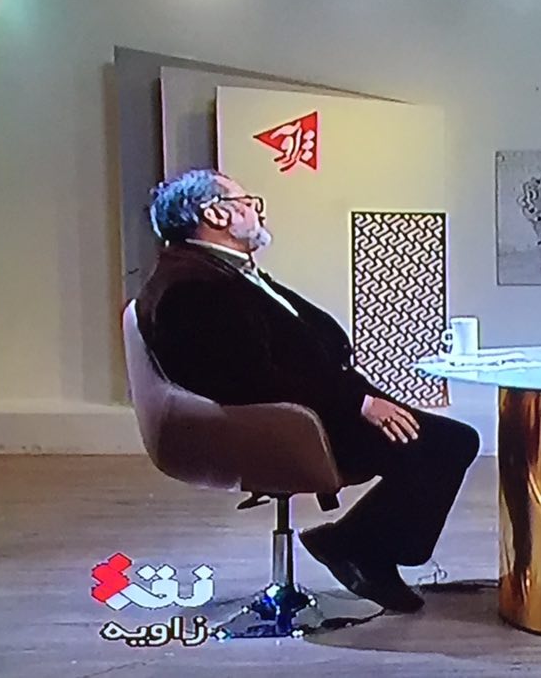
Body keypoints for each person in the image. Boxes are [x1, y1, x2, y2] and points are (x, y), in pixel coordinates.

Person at [135, 169, 479, 613]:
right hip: (276, 426)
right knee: (446, 444)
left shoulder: (217, 270)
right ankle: (357, 547)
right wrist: (358, 403)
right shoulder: (195, 286)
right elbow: (249, 378)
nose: (257, 212)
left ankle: (357, 544)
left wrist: (363, 396)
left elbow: (295, 352)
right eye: (248, 202)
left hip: (305, 409)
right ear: (215, 215)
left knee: (444, 439)